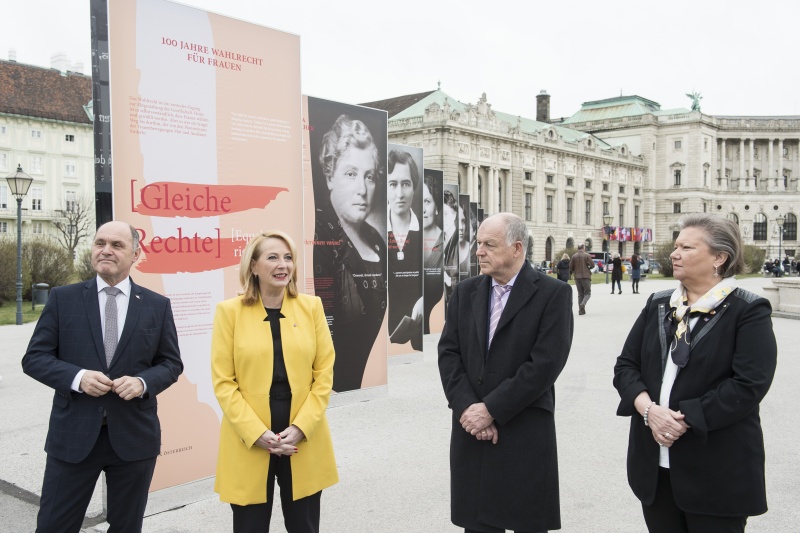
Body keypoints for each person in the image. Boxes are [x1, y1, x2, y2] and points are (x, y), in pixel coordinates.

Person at [613, 213, 777, 533]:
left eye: (686, 248)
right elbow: (626, 367)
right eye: (676, 246)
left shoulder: (748, 310)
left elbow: (748, 385)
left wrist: (681, 419)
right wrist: (649, 411)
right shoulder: (659, 304)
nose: (674, 254)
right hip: (655, 468)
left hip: (717, 471)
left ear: (719, 257)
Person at [21, 221, 183, 533]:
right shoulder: (63, 298)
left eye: (117, 245)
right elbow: (35, 358)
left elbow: (170, 363)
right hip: (73, 437)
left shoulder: (156, 305)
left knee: (126, 528)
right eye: (100, 243)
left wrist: (142, 383)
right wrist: (78, 377)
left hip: (134, 438)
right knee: (54, 526)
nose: (106, 250)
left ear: (135, 254)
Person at [438, 213, 573, 533]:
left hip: (522, 429)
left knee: (526, 520)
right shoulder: (465, 292)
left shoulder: (553, 294)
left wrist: (492, 409)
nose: (479, 251)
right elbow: (448, 354)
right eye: (478, 243)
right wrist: (468, 408)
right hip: (471, 429)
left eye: (489, 244)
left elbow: (545, 365)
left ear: (517, 248)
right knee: (478, 523)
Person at [211, 231, 337, 533]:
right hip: (249, 437)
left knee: (304, 525)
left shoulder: (312, 307)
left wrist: (302, 427)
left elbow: (324, 374)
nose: (283, 265)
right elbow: (224, 382)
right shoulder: (229, 312)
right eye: (273, 257)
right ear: (253, 266)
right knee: (249, 526)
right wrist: (256, 433)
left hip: (302, 435)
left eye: (288, 257)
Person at [313, 114, 386, 392]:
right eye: (351, 174)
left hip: (370, 378)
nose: (362, 190)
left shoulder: (376, 239)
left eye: (369, 176)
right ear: (329, 176)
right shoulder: (319, 235)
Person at [387, 149, 423, 349]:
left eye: (406, 184)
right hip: (381, 341)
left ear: (414, 187)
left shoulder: (426, 233)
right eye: (393, 184)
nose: (399, 194)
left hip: (418, 339)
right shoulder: (372, 233)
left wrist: (425, 300)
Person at [422, 174, 444, 333]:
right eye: (419, 202)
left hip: (438, 320)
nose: (422, 209)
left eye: (427, 201)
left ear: (437, 207)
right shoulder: (407, 243)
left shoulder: (447, 243)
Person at [443, 189, 460, 307]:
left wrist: (448, 280)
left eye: (446, 214)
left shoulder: (460, 242)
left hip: (454, 303)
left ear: (454, 215)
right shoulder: (437, 239)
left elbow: (469, 279)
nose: (442, 219)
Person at [569, 243, 594, 315]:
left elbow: (570, 266)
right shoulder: (587, 255)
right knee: (587, 293)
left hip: (577, 277)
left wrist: (574, 270)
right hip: (586, 276)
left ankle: (581, 310)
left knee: (580, 294)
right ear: (583, 248)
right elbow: (592, 265)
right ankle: (583, 303)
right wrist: (588, 267)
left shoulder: (574, 256)